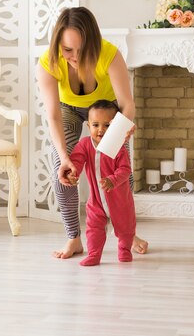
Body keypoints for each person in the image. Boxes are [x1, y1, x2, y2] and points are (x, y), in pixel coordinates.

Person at [36, 6, 148, 259]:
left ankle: (126, 235)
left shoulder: (109, 54)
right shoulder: (47, 63)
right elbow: (53, 114)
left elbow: (127, 105)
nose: (75, 57)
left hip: (107, 115)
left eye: (82, 49)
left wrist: (116, 136)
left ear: (93, 42)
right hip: (67, 111)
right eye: (67, 50)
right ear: (58, 45)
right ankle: (73, 238)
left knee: (122, 176)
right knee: (62, 172)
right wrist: (65, 157)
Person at [59, 100, 136, 266]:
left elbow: (125, 169)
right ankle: (94, 255)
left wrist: (112, 180)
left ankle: (124, 249)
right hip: (96, 201)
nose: (101, 129)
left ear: (114, 127)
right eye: (95, 125)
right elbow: (77, 161)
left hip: (120, 200)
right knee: (93, 228)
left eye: (107, 125)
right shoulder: (85, 144)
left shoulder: (118, 146)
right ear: (88, 127)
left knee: (125, 228)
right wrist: (73, 173)